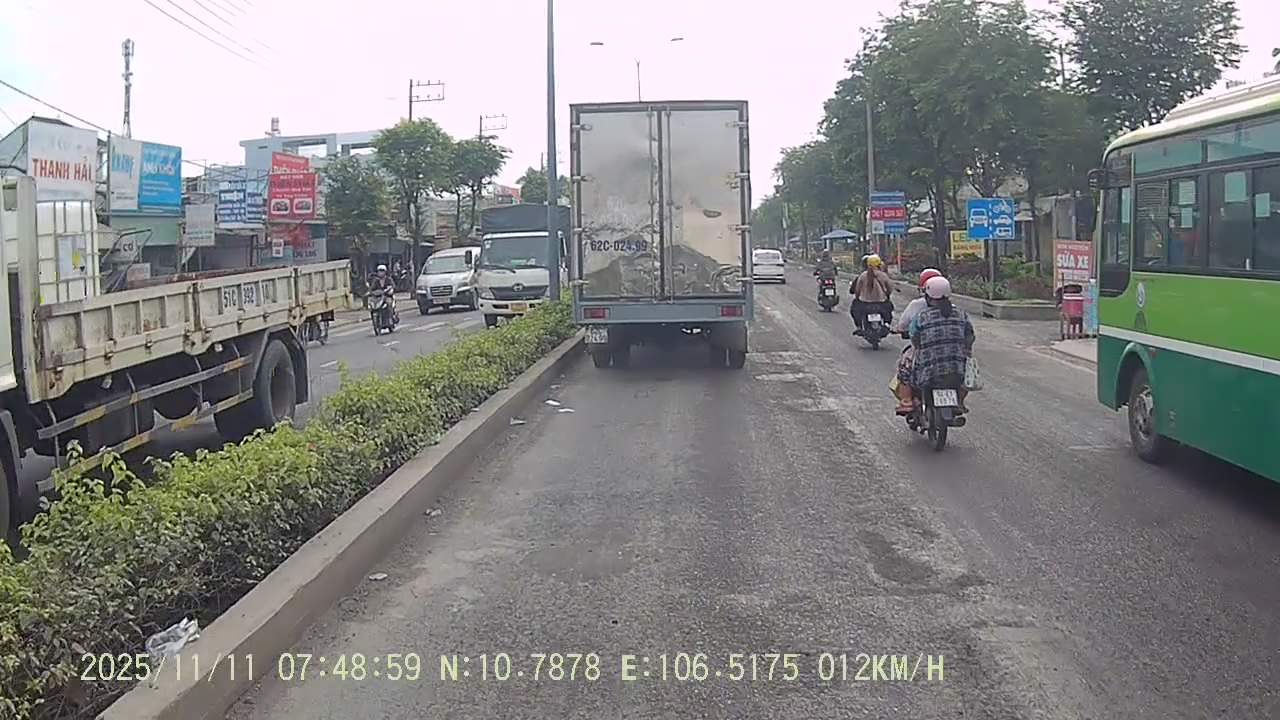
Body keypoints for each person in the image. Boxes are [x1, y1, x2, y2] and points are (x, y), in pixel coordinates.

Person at [910, 276, 975, 412]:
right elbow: (970, 335)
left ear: (928, 297)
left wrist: (919, 346)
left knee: (906, 368)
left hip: (930, 372)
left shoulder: (922, 316)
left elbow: (915, 337)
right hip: (957, 369)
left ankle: (911, 400)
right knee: (967, 375)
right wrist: (967, 350)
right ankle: (960, 402)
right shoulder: (961, 314)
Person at [891, 268, 943, 413]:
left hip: (924, 353)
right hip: (953, 362)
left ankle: (906, 400)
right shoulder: (956, 311)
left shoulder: (920, 312)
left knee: (904, 366)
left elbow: (910, 332)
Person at [850, 253, 893, 335]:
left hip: (865, 304)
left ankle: (859, 327)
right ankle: (886, 324)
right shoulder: (883, 275)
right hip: (881, 304)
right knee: (889, 309)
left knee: (854, 309)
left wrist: (857, 298)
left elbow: (857, 290)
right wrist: (886, 295)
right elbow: (890, 289)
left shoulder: (863, 275)